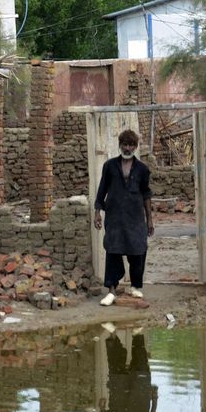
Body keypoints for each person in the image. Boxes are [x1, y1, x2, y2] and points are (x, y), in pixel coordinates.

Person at [93, 128, 153, 306]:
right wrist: (98, 212)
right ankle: (111, 289)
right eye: (125, 144)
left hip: (135, 218)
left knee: (138, 250)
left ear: (135, 147)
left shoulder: (142, 169)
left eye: (131, 145)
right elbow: (102, 190)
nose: (128, 148)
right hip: (114, 217)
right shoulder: (110, 166)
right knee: (113, 250)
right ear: (120, 145)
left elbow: (146, 194)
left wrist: (149, 219)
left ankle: (136, 286)